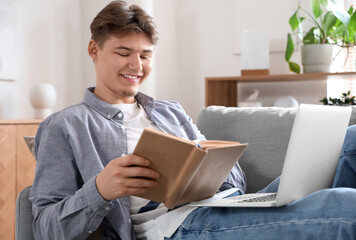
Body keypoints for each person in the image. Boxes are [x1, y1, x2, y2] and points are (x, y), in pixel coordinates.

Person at [29, 1, 356, 239]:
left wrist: (207, 171)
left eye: (145, 55)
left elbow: (235, 181)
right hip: (176, 228)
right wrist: (100, 189)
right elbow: (45, 226)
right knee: (343, 205)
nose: (136, 65)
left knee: (352, 139)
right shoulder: (65, 126)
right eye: (123, 52)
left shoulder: (170, 111)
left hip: (228, 205)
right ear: (94, 50)